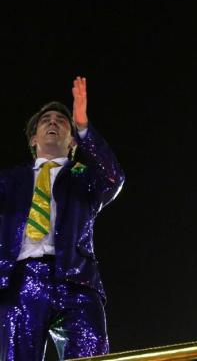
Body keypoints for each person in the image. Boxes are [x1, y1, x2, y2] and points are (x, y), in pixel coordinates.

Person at [0, 77, 125, 361]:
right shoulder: (9, 181)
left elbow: (113, 177)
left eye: (62, 120)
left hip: (75, 280)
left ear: (72, 142)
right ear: (33, 138)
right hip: (22, 281)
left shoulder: (84, 178)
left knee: (90, 355)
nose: (53, 122)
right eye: (46, 119)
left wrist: (84, 127)